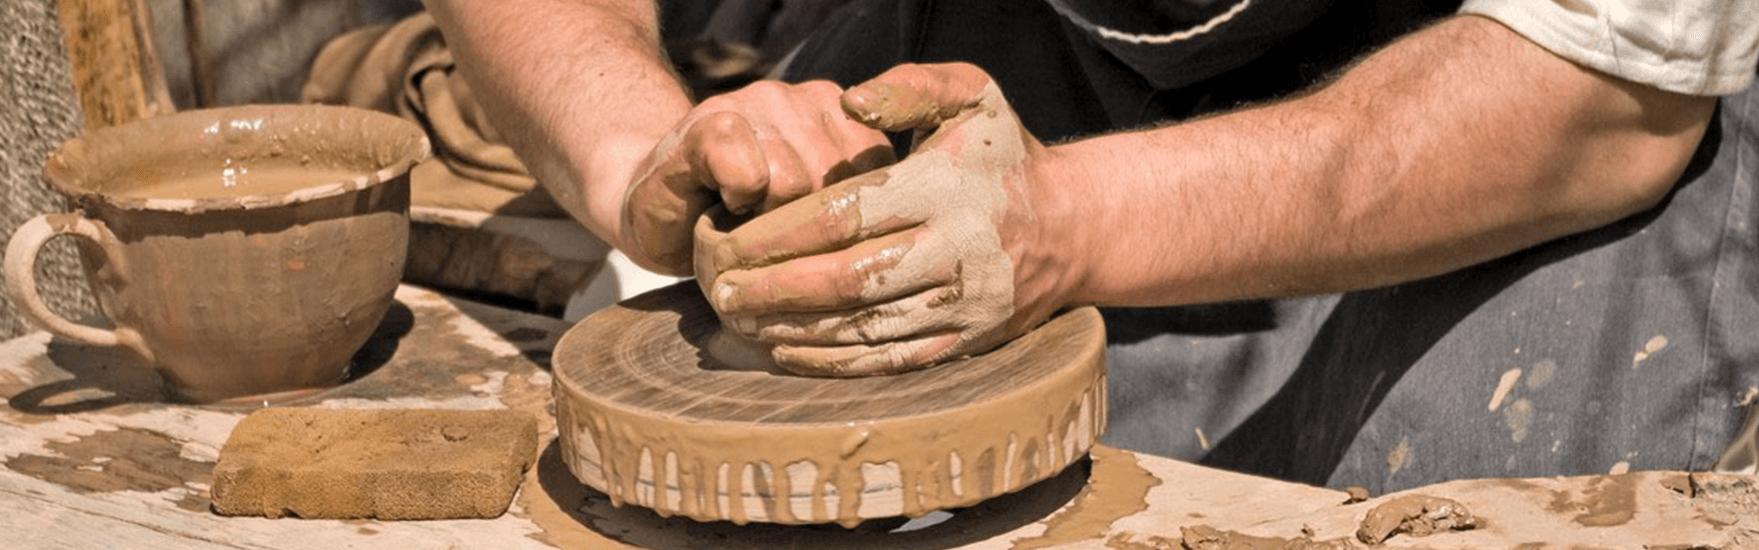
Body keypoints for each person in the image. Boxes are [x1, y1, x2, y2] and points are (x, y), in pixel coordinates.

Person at [423, 0, 1759, 493]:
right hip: (1007, 40)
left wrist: (1057, 226)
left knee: (1475, 499)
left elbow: (1603, 101)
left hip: (1486, 104)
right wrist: (639, 151)